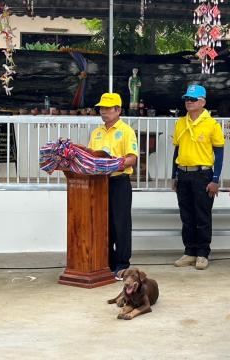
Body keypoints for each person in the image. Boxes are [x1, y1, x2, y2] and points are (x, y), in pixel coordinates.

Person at [172, 84, 225, 270]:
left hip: (203, 174)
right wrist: (174, 175)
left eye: (193, 99)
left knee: (202, 215)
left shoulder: (212, 124)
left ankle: (202, 253)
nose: (188, 102)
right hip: (183, 173)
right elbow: (177, 149)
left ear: (202, 102)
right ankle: (189, 251)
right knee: (186, 215)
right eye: (187, 98)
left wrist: (215, 179)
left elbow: (219, 152)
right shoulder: (180, 122)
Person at [88, 93, 138, 279]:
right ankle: (106, 262)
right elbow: (90, 157)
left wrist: (114, 164)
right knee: (103, 224)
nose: (103, 112)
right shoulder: (97, 133)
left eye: (108, 108)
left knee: (120, 224)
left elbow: (132, 158)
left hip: (119, 182)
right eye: (101, 108)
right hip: (99, 183)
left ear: (118, 110)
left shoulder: (126, 131)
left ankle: (122, 263)